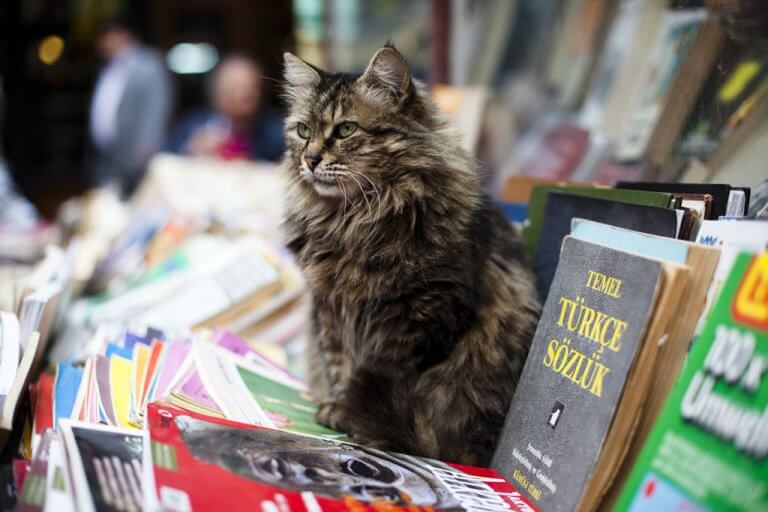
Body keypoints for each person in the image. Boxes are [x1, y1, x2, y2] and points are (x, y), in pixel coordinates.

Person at [88, 19, 173, 196]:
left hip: (136, 155)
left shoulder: (148, 63)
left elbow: (156, 107)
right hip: (109, 154)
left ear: (122, 35)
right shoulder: (108, 67)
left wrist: (147, 144)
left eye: (105, 37)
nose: (101, 44)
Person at [167, 55, 283, 162]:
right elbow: (167, 159)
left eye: (253, 87)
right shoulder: (193, 123)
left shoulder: (273, 130)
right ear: (216, 92)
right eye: (235, 88)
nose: (245, 95)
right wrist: (190, 149)